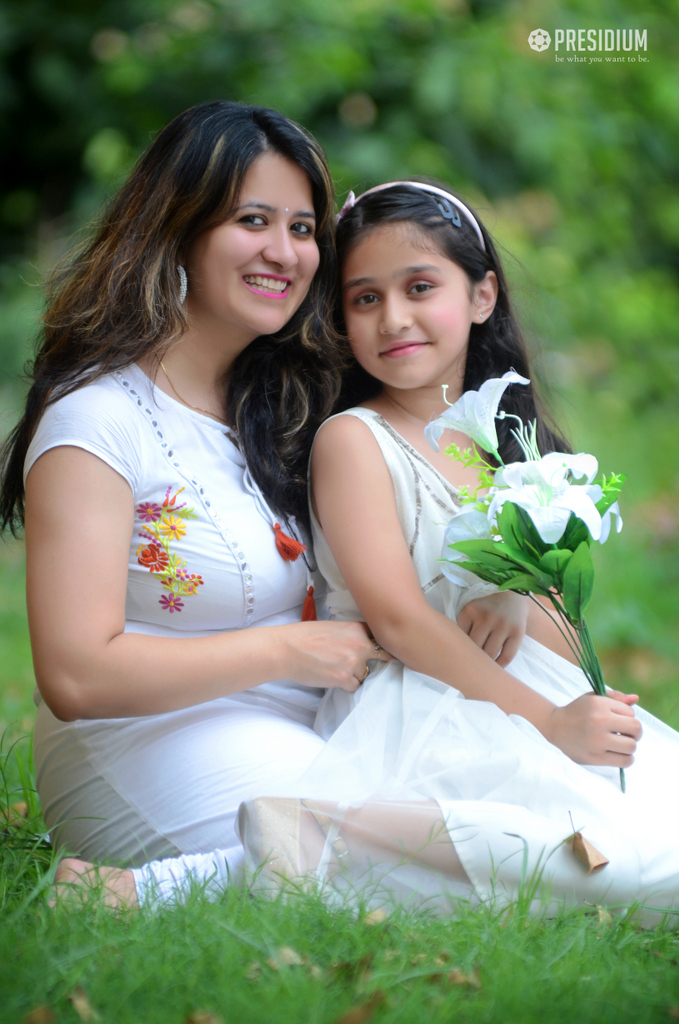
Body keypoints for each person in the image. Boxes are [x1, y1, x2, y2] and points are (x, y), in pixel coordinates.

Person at [115, 181, 679, 920]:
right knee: (612, 867)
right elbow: (399, 620)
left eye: (419, 288)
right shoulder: (355, 440)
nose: (394, 318)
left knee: (652, 841)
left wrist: (515, 595)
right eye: (365, 299)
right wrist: (545, 724)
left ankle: (313, 854)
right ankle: (266, 855)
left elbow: (561, 615)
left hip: (527, 693)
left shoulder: (504, 445)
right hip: (424, 709)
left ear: (482, 296)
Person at [0, 101, 396, 906]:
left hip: (294, 725)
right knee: (399, 852)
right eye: (252, 220)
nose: (283, 252)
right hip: (139, 742)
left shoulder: (284, 407)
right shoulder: (97, 422)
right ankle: (132, 895)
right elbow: (75, 674)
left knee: (462, 824)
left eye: (301, 228)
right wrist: (288, 652)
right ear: (178, 228)